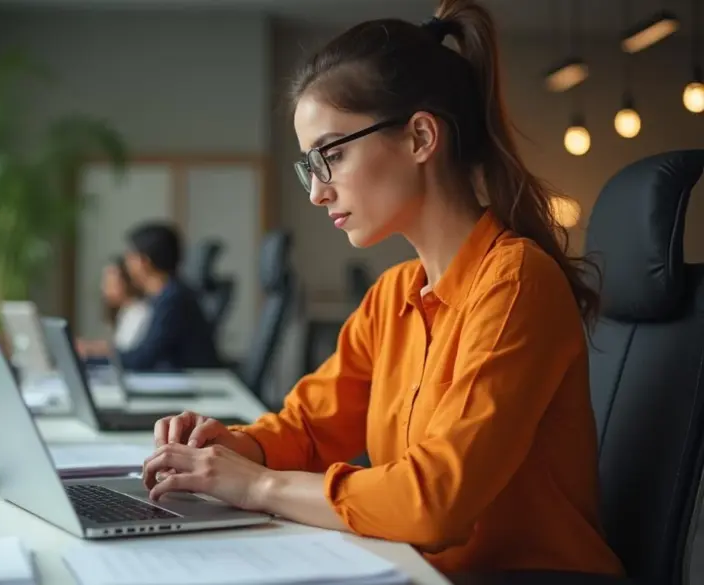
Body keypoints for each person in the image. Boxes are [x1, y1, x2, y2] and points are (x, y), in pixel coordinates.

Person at [140, 0, 624, 577]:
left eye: (332, 156)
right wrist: (229, 447)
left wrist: (260, 484)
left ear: (421, 137)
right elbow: (311, 425)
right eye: (310, 167)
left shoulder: (516, 284)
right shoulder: (395, 294)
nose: (318, 192)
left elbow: (434, 502)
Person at [81, 222, 220, 372]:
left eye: (130, 257)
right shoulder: (168, 295)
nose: (126, 264)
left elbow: (143, 358)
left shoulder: (172, 300)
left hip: (194, 383)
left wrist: (91, 357)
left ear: (143, 262)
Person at [102, 256, 151, 351]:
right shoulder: (124, 312)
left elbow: (126, 351)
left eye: (110, 282)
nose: (104, 288)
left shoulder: (139, 312)